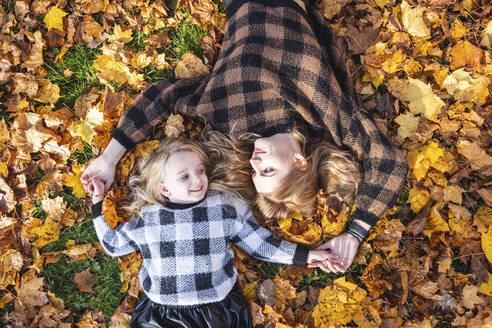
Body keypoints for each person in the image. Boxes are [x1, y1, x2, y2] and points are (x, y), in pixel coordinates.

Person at [82, 0, 408, 273]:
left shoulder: (225, 121)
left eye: (254, 173)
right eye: (267, 170)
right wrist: (355, 232)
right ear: (299, 161)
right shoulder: (327, 118)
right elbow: (389, 165)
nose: (254, 161)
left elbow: (161, 96)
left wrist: (109, 158)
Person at [89, 138, 333, 328]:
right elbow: (112, 244)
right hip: (163, 314)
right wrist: (97, 200)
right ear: (165, 188)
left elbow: (258, 244)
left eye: (200, 171)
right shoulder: (148, 219)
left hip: (216, 311)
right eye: (184, 176)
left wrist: (305, 256)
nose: (197, 179)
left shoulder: (223, 207)